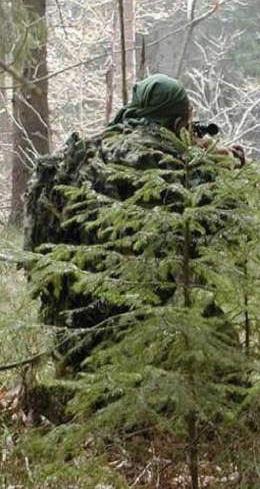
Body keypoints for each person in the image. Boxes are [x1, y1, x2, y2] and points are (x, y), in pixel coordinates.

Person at [24, 73, 243, 373]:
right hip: (126, 320)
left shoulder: (95, 148)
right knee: (224, 350)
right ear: (178, 123)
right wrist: (213, 168)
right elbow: (217, 226)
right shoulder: (161, 161)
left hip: (70, 322)